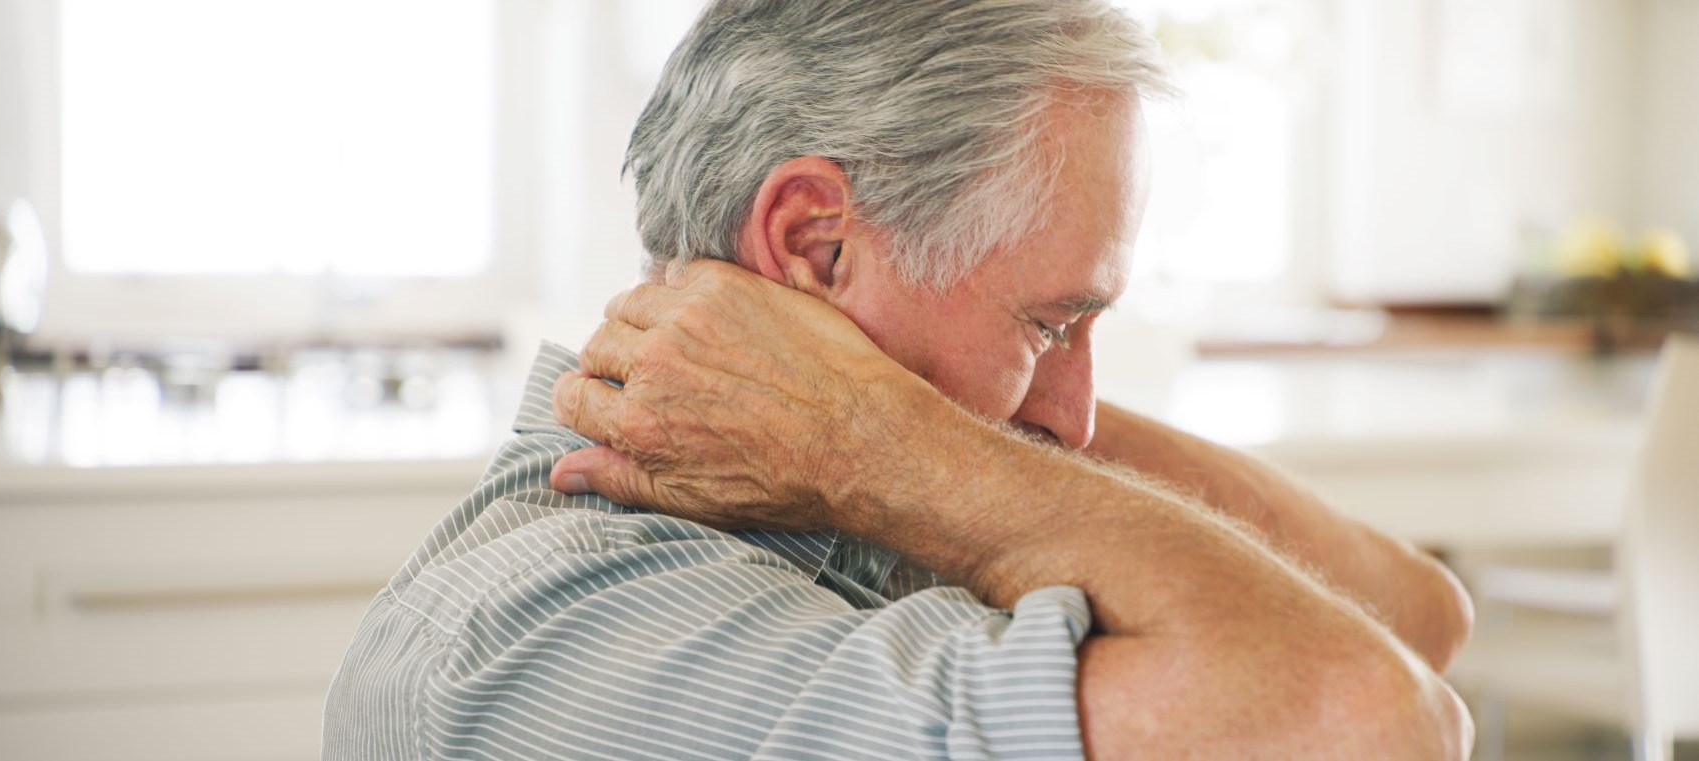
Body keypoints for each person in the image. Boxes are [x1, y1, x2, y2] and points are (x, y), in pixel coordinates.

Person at [326, 1, 1475, 758]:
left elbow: (1419, 617)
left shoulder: (858, 506)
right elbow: (1366, 718)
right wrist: (883, 442)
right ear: (816, 246)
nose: (1072, 419)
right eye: (1047, 323)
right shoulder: (570, 630)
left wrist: (876, 437)